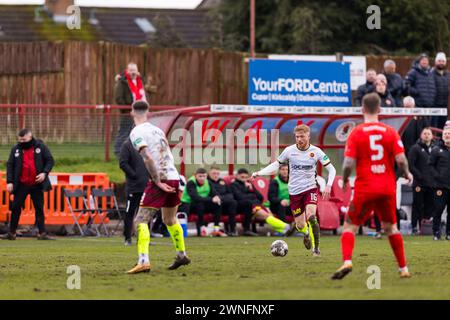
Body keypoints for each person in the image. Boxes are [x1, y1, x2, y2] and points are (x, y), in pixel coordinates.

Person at [331, 93, 413, 280]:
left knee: (349, 227)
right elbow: (401, 159)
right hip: (387, 188)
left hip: (365, 187)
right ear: (380, 109)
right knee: (391, 228)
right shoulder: (390, 132)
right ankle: (403, 268)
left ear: (362, 109)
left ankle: (347, 261)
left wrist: (344, 180)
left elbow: (348, 163)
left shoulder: (356, 133)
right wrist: (407, 174)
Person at [126, 100, 190, 274]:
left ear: (132, 112)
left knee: (140, 221)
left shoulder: (136, 132)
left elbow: (147, 157)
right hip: (174, 177)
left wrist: (157, 180)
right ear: (148, 112)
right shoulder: (158, 130)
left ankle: (143, 261)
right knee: (170, 220)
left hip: (161, 178)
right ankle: (181, 254)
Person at [252, 124, 336, 257]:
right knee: (300, 224)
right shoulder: (289, 151)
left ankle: (316, 249)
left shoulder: (317, 151)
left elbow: (332, 169)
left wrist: (329, 185)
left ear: (308, 136)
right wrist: (259, 172)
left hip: (310, 189)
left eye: (302, 136)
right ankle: (306, 233)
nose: (299, 139)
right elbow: (276, 165)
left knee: (311, 216)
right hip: (295, 193)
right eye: (297, 137)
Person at [1, 129, 54, 240]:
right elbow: (10, 165)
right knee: (15, 208)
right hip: (21, 184)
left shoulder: (40, 147)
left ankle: (42, 233)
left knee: (39, 208)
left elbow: (50, 160)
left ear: (30, 137)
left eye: (24, 140)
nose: (22, 142)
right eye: (20, 140)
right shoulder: (16, 149)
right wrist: (10, 181)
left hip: (36, 183)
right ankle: (12, 233)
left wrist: (44, 173)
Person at [231, 168, 291, 236]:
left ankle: (282, 230)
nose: (244, 179)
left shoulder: (248, 185)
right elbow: (239, 197)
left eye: (246, 177)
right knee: (265, 215)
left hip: (256, 205)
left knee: (269, 215)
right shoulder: (234, 185)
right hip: (244, 207)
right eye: (242, 177)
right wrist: (252, 195)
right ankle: (285, 226)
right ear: (237, 176)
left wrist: (252, 188)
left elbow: (260, 197)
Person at [114, 62, 150, 157]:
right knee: (124, 132)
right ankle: (118, 152)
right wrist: (127, 110)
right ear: (127, 70)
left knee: (139, 133)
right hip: (129, 113)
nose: (133, 72)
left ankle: (135, 153)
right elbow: (118, 98)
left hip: (142, 113)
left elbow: (144, 95)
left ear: (137, 71)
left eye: (134, 70)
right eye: (131, 70)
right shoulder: (122, 82)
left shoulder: (140, 81)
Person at [119, 138, 150, 246]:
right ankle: (127, 238)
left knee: (146, 214)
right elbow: (123, 163)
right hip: (133, 187)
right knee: (130, 212)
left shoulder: (146, 145)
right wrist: (134, 175)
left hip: (146, 187)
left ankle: (143, 238)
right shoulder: (127, 145)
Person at [179, 168, 225, 237]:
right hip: (188, 204)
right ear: (195, 176)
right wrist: (212, 199)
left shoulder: (208, 182)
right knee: (200, 205)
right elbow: (195, 198)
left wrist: (218, 197)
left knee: (217, 204)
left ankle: (216, 228)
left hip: (203, 202)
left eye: (204, 176)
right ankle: (201, 229)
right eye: (200, 176)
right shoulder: (191, 182)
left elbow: (214, 192)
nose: (202, 178)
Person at [407, 127, 435, 234]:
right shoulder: (415, 148)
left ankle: (425, 227)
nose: (427, 135)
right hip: (419, 183)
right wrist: (420, 176)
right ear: (421, 135)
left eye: (428, 133)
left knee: (430, 206)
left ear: (432, 136)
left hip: (432, 183)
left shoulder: (435, 148)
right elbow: (411, 165)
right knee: (417, 205)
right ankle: (414, 227)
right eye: (425, 133)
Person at [428, 125, 450, 241]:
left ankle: (449, 233)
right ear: (442, 136)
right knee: (438, 209)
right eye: (445, 134)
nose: (447, 136)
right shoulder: (437, 150)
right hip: (440, 186)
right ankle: (436, 232)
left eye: (449, 134)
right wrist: (437, 176)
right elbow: (430, 165)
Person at [207, 167, 238, 236]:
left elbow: (230, 194)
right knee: (217, 203)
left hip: (224, 203)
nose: (216, 175)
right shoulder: (207, 182)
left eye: (218, 173)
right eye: (214, 173)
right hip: (212, 205)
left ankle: (232, 230)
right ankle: (216, 229)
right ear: (209, 173)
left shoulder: (223, 182)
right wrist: (219, 198)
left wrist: (221, 198)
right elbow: (212, 194)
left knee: (233, 202)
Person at [431, 52, 450, 130]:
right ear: (436, 62)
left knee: (442, 126)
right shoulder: (431, 73)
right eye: (439, 61)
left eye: (443, 61)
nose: (441, 63)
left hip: (444, 104)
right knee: (433, 126)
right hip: (434, 104)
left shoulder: (448, 74)